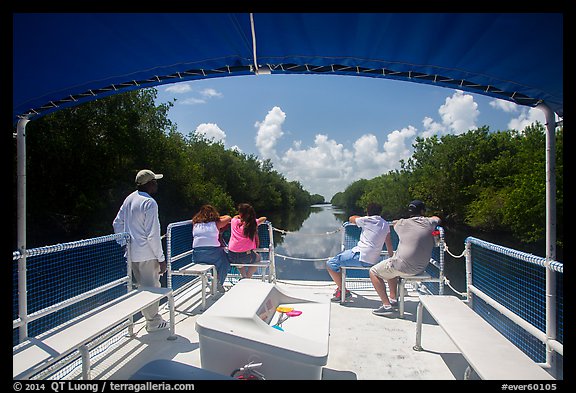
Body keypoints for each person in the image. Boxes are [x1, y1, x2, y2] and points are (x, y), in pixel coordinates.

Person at [112, 169, 168, 332]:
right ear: (149, 184)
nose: (156, 184)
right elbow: (153, 235)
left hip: (131, 254)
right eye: (155, 182)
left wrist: (124, 243)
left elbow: (117, 223)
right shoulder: (149, 203)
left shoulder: (129, 199)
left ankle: (151, 319)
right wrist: (161, 258)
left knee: (142, 287)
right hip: (147, 254)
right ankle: (153, 322)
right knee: (152, 287)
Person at [369, 200, 441, 317]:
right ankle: (393, 299)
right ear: (422, 211)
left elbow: (395, 223)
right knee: (391, 265)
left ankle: (387, 306)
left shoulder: (402, 224)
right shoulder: (429, 223)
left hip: (404, 268)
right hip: (421, 267)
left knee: (373, 272)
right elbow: (437, 218)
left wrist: (398, 221)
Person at [326, 203, 394, 302]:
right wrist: (391, 258)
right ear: (380, 212)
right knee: (341, 257)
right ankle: (341, 289)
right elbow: (389, 244)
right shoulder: (385, 224)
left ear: (368, 212)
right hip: (374, 259)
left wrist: (363, 217)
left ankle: (343, 291)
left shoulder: (366, 220)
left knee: (331, 264)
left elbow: (351, 218)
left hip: (361, 257)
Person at [192, 204, 232, 293]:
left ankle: (212, 280)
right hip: (213, 253)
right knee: (225, 262)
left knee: (216, 259)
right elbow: (228, 217)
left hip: (197, 255)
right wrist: (217, 218)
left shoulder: (195, 223)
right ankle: (219, 282)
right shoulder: (216, 223)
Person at [227, 203, 267, 279]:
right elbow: (264, 218)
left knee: (239, 261)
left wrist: (240, 216)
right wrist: (252, 218)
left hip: (231, 255)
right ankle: (248, 277)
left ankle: (244, 276)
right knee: (258, 258)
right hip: (246, 256)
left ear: (240, 213)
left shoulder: (234, 221)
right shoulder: (252, 224)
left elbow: (235, 217)